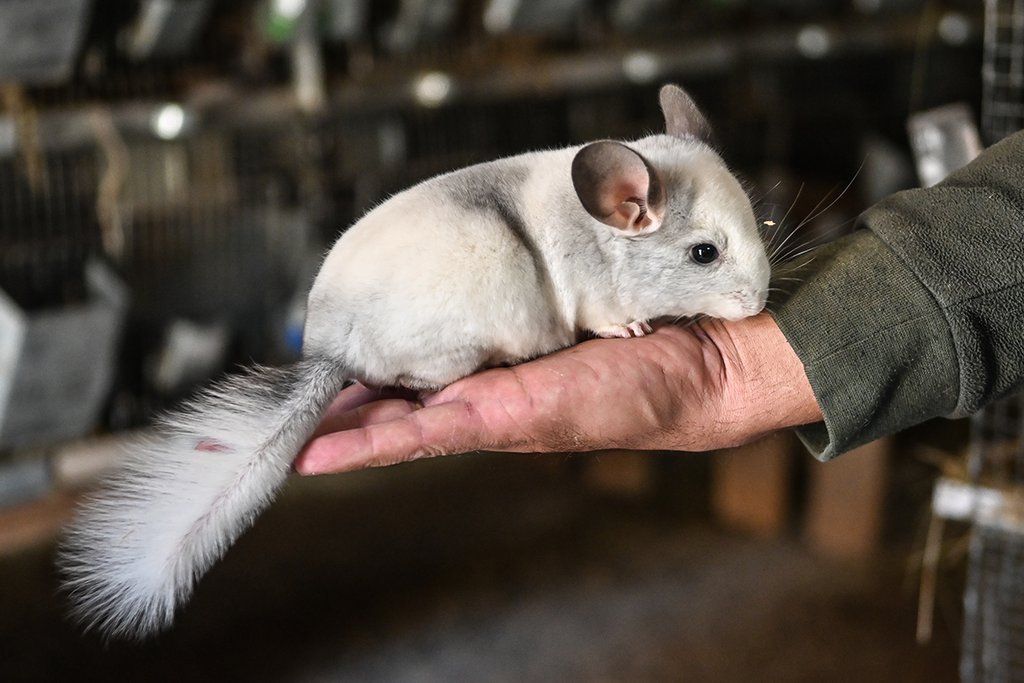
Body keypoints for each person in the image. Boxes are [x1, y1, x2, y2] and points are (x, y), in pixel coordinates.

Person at [294, 129, 1024, 476]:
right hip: (404, 320)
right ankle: (421, 366)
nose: (749, 290)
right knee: (496, 274)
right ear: (626, 205)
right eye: (706, 255)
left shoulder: (629, 195)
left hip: (375, 313)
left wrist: (736, 369)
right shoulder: (591, 221)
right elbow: (580, 279)